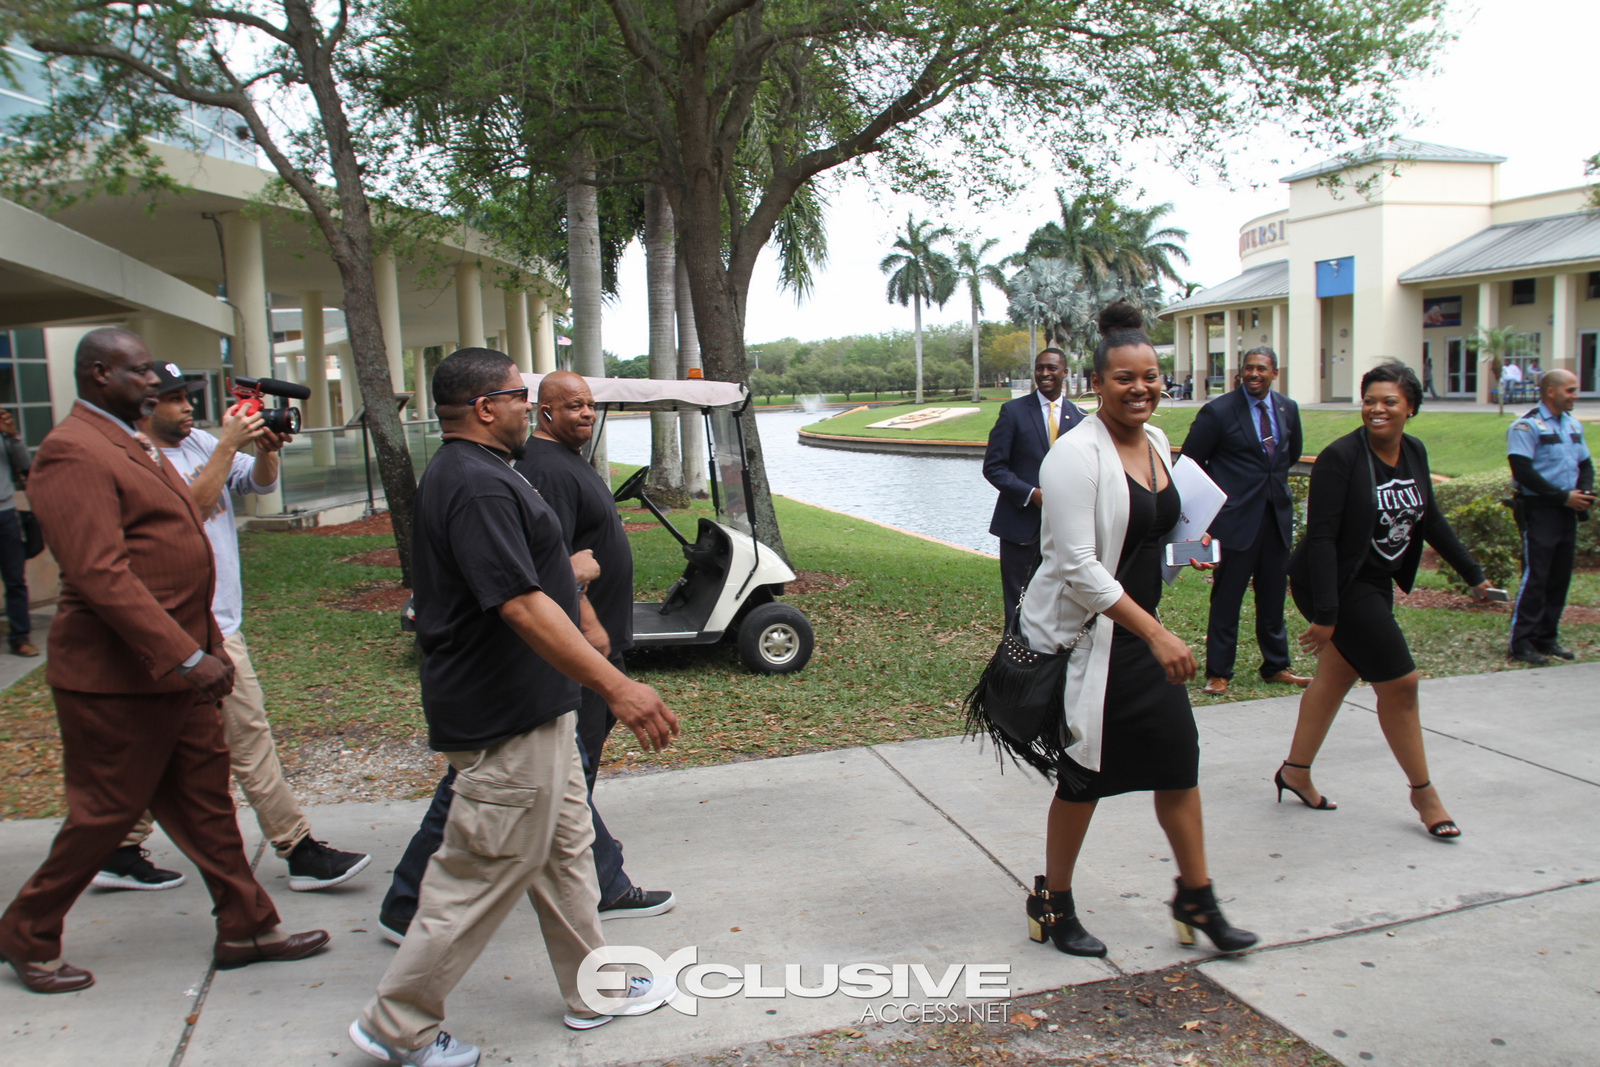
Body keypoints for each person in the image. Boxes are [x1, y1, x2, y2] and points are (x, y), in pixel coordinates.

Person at [350, 349, 680, 1067]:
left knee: (565, 853)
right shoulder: (473, 483)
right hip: (505, 714)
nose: (528, 409)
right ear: (482, 407)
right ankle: (396, 1023)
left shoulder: (491, 473)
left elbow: (538, 582)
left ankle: (595, 989)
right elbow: (522, 604)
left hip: (541, 704)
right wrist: (617, 686)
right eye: (518, 397)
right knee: (475, 873)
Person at [0, 328, 326, 995]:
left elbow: (182, 542)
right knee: (106, 812)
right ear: (97, 374)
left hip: (183, 664)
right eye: (141, 372)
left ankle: (247, 925)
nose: (153, 384)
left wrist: (204, 644)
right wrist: (185, 656)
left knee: (206, 803)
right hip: (118, 678)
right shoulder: (71, 450)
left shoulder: (135, 442)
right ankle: (26, 930)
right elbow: (99, 573)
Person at [1018, 303, 1256, 959]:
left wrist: (1191, 547)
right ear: (1098, 383)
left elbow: (1152, 528)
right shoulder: (1074, 456)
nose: (1142, 387)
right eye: (1126, 378)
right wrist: (1156, 633)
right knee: (1084, 778)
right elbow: (1077, 566)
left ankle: (1196, 899)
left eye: (1151, 375)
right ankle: (1051, 901)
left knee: (1179, 764)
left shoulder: (1154, 442)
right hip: (1093, 644)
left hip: (1143, 634)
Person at [95, 363, 371, 892]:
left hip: (214, 619)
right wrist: (226, 445)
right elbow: (183, 515)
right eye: (174, 399)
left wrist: (266, 450)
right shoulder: (140, 456)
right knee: (249, 736)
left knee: (159, 743)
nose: (187, 407)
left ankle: (119, 847)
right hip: (187, 625)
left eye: (188, 396)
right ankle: (298, 848)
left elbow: (258, 484)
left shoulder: (201, 440)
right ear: (148, 405)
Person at [1279, 361, 1492, 839]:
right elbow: (1322, 540)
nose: (1377, 409)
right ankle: (1424, 793)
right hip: (1330, 581)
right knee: (1401, 684)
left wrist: (1474, 576)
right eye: (1370, 400)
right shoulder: (1341, 458)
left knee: (1336, 675)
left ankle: (1295, 771)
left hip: (1371, 581)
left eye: (1389, 401)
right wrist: (1328, 616)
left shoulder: (1413, 452)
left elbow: (1430, 520)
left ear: (1410, 407)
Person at [1180, 346, 1310, 695]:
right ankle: (1219, 673)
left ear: (1274, 373)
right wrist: (1206, 517)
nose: (1255, 374)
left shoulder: (1288, 409)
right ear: (1240, 372)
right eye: (1249, 368)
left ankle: (1277, 666)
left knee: (1272, 598)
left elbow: (1290, 454)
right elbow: (1191, 464)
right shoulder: (1219, 412)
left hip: (1275, 520)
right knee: (1227, 600)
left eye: (1262, 369)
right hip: (1234, 523)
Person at [983, 348, 1085, 626]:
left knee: (1061, 599)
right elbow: (993, 467)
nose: (1044, 373)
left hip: (1067, 529)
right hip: (1020, 526)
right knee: (1017, 602)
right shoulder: (1013, 412)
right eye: (1040, 368)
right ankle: (1011, 661)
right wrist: (1032, 494)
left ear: (1065, 373)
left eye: (1052, 368)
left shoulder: (1082, 419)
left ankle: (1050, 662)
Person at [1505, 369, 1594, 665]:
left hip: (1567, 510)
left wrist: (1584, 493)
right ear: (1551, 392)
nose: (1575, 395)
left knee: (1559, 577)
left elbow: (1585, 463)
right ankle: (1521, 643)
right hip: (1539, 511)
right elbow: (1523, 471)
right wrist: (1562, 496)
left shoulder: (1572, 425)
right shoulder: (1527, 426)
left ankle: (1546, 637)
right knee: (1537, 576)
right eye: (1570, 390)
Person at [0, 408, 36, 657]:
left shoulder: (4, 435)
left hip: (4, 512)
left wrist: (12, 436)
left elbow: (25, 465)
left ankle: (20, 637)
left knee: (15, 579)